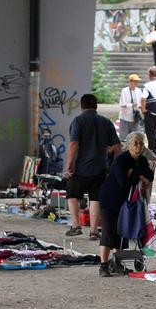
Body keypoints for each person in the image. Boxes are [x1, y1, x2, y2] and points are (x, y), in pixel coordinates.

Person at [63, 93, 121, 239]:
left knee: (72, 195)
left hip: (79, 168)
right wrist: (115, 165)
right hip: (100, 168)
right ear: (96, 106)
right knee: (96, 199)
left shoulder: (78, 121)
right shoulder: (106, 122)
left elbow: (73, 144)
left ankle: (76, 226)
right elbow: (117, 146)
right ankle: (94, 231)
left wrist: (69, 165)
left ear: (82, 106)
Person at [97, 132, 154, 278]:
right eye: (135, 143)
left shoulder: (141, 160)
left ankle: (117, 264)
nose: (139, 146)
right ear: (128, 145)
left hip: (124, 202)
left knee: (120, 232)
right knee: (108, 232)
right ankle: (103, 266)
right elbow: (124, 182)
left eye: (141, 143)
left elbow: (150, 175)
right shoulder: (121, 160)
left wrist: (135, 173)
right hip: (109, 199)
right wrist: (139, 176)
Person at [118, 74, 145, 139]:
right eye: (134, 81)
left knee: (135, 137)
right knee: (123, 137)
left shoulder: (138, 91)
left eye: (137, 81)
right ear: (130, 82)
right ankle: (124, 149)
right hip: (125, 117)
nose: (136, 83)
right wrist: (132, 105)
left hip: (135, 117)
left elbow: (140, 103)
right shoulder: (124, 91)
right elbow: (123, 104)